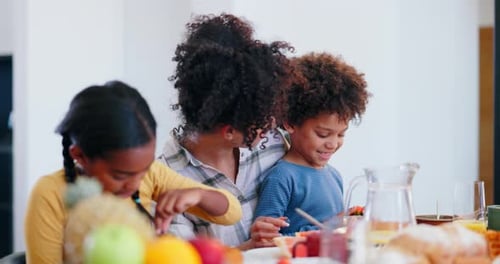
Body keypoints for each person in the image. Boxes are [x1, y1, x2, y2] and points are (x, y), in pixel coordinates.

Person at [24, 81, 242, 264]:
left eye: (143, 170)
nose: (135, 183)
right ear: (79, 156)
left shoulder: (150, 174)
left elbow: (232, 212)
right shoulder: (50, 194)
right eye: (120, 176)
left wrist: (199, 195)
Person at [158, 13, 296, 249]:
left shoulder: (275, 144)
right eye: (261, 123)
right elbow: (184, 259)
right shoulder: (167, 179)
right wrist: (250, 246)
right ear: (229, 131)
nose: (271, 125)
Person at [254, 52, 370, 234]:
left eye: (341, 135)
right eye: (323, 134)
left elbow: (334, 227)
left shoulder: (334, 176)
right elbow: (266, 237)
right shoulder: (281, 177)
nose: (333, 144)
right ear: (291, 123)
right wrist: (316, 235)